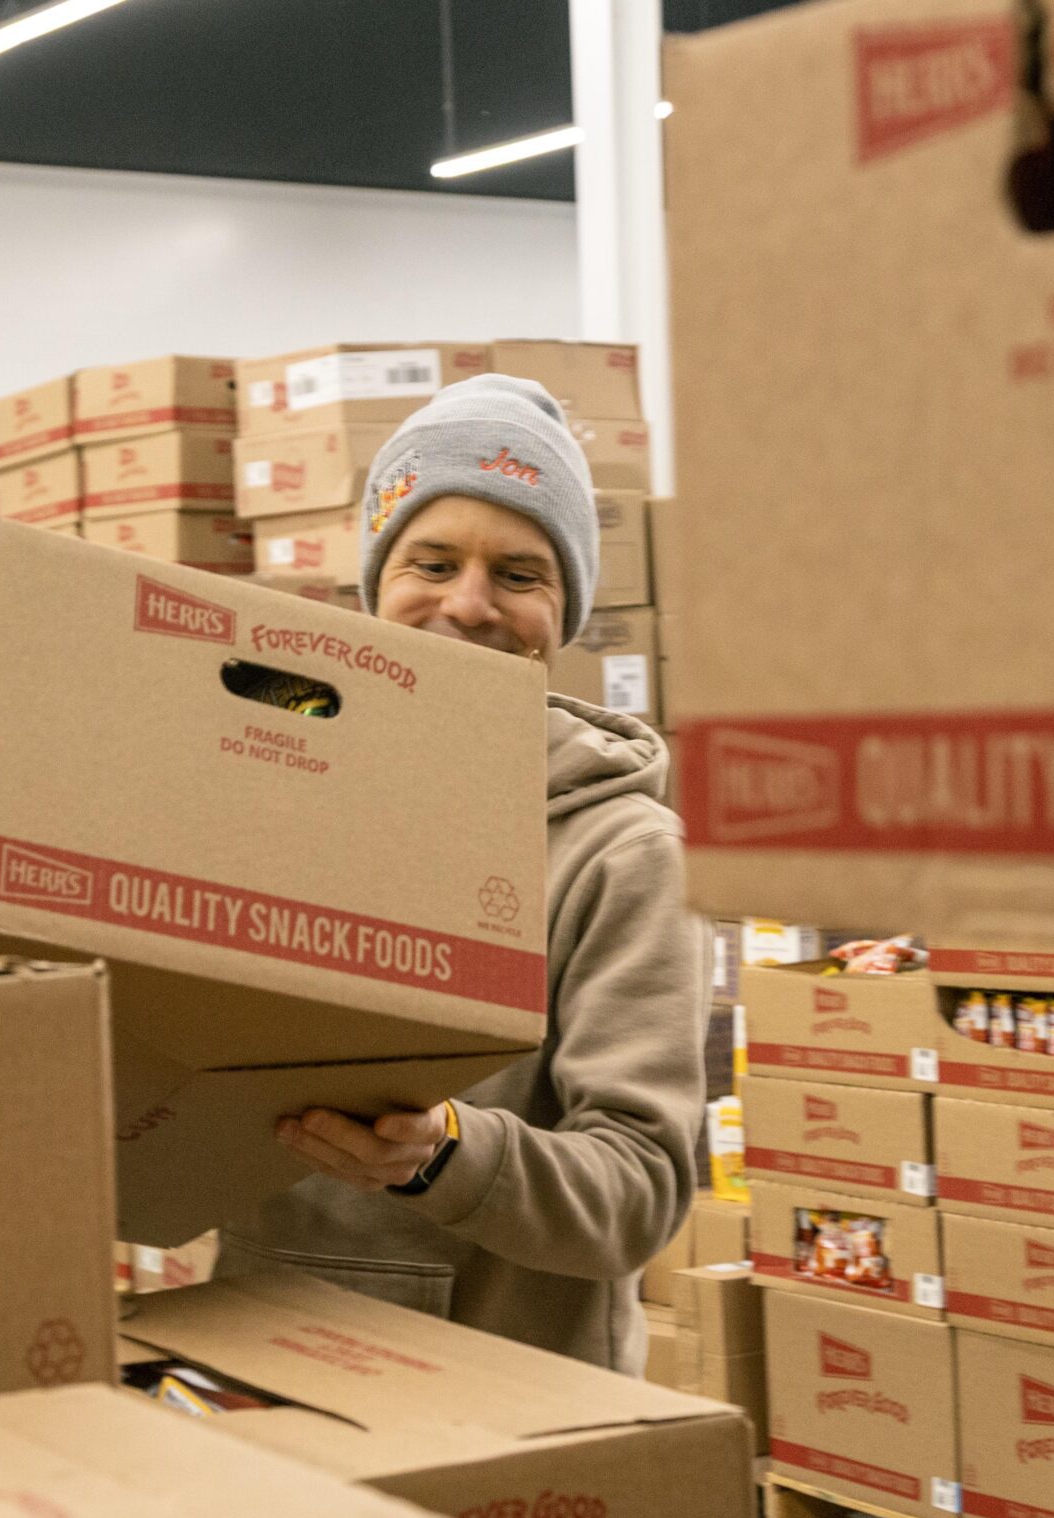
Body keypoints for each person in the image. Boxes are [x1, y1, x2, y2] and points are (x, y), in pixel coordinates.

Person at [223, 375, 707, 1374]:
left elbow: (639, 1194)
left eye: (519, 573)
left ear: (561, 612)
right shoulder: (269, 800)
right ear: (375, 585)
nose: (468, 605)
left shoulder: (621, 854)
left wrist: (446, 1153)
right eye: (431, 562)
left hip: (506, 1394)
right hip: (257, 1361)